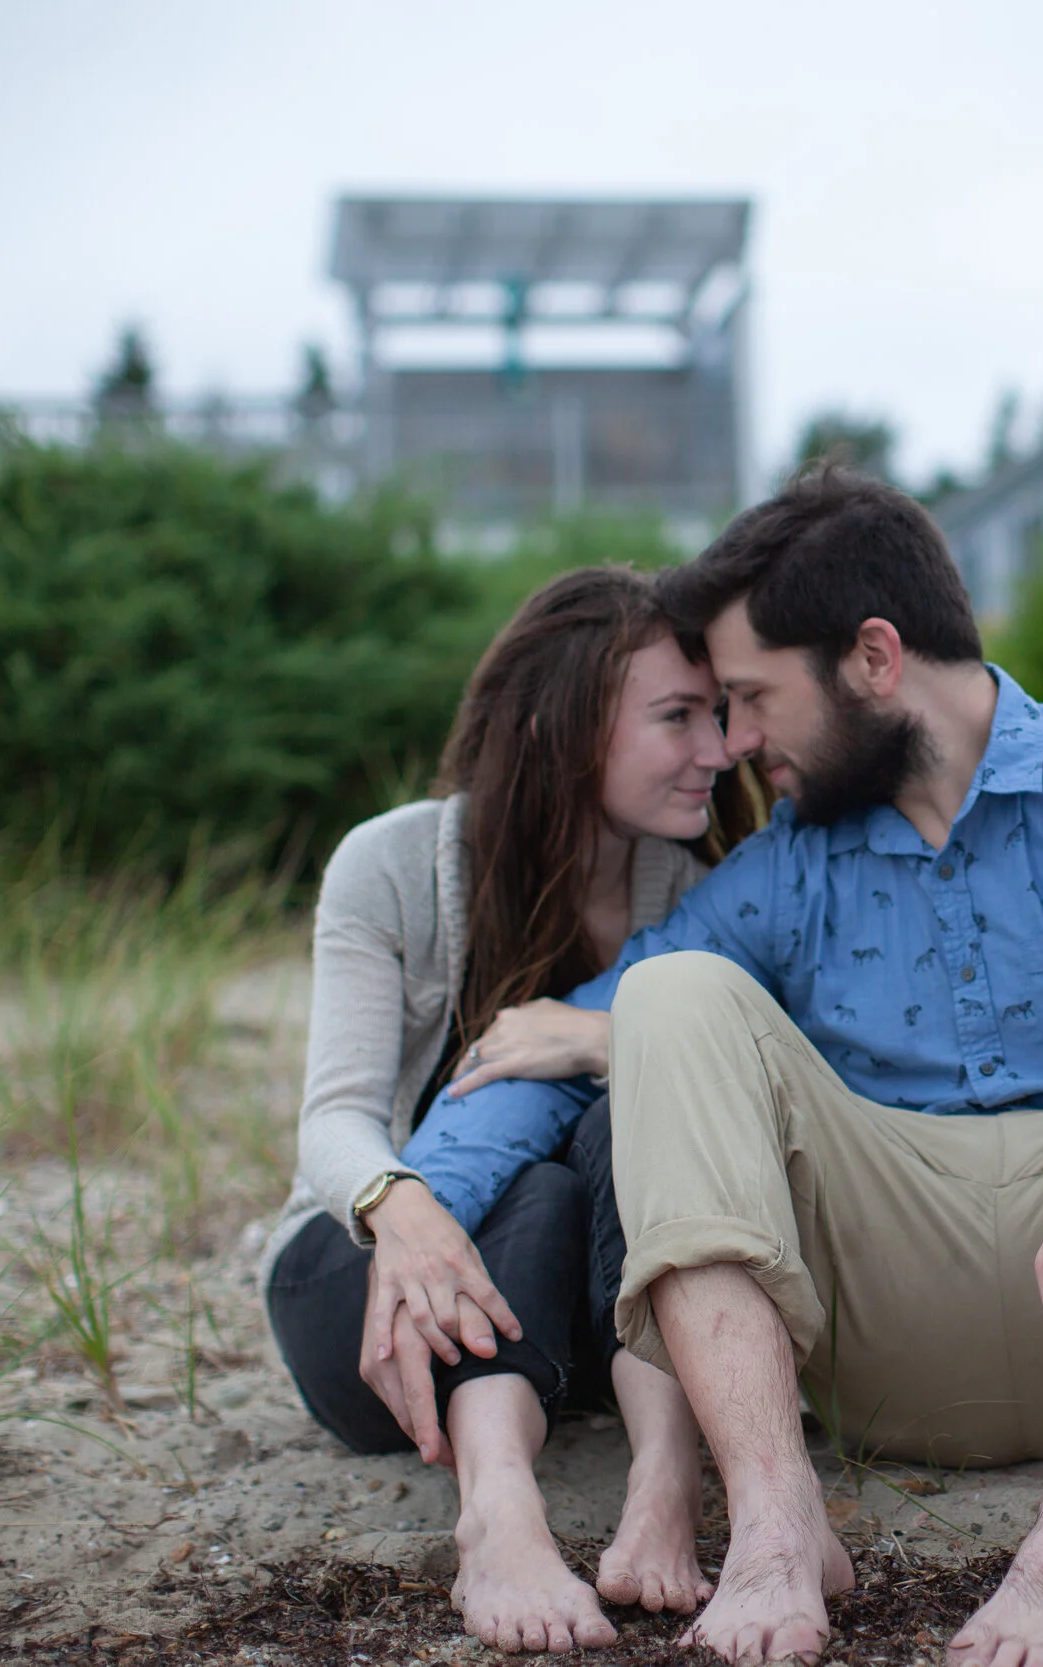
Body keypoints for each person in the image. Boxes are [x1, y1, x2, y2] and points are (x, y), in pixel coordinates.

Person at [412, 469, 1043, 1667]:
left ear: (875, 658)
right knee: (666, 994)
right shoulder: (791, 869)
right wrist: (410, 1208)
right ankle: (778, 1524)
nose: (734, 743)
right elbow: (555, 1038)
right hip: (889, 1341)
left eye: (749, 697)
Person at [258, 567, 763, 1654]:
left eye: (718, 715)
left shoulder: (693, 888)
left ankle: (665, 1478)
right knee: (528, 1184)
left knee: (636, 1119)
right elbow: (333, 1115)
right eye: (677, 716)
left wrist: (609, 1038)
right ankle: (500, 1513)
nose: (716, 751)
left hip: (583, 1321)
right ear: (561, 724)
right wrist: (400, 1206)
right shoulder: (391, 863)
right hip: (367, 1292)